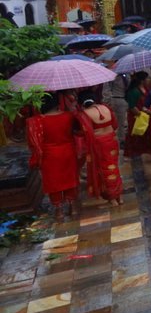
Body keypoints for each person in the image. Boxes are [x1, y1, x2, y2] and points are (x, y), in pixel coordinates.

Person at [27, 91, 81, 221]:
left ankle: (59, 211)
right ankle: (72, 207)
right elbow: (77, 130)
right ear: (58, 102)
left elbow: (32, 142)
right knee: (70, 178)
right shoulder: (68, 116)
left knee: (54, 182)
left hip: (50, 155)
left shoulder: (38, 121)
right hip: (68, 151)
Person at [78, 90, 124, 206]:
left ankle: (112, 198)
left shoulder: (84, 113)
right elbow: (115, 125)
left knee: (104, 169)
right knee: (114, 166)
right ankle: (120, 196)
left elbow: (84, 132)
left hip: (99, 143)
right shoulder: (105, 107)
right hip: (112, 140)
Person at [123, 72, 151, 158]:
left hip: (145, 115)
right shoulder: (134, 91)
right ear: (142, 80)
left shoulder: (146, 88)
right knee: (135, 132)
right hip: (137, 116)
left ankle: (145, 150)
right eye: (147, 79)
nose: (149, 80)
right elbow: (132, 106)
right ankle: (133, 152)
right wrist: (141, 114)